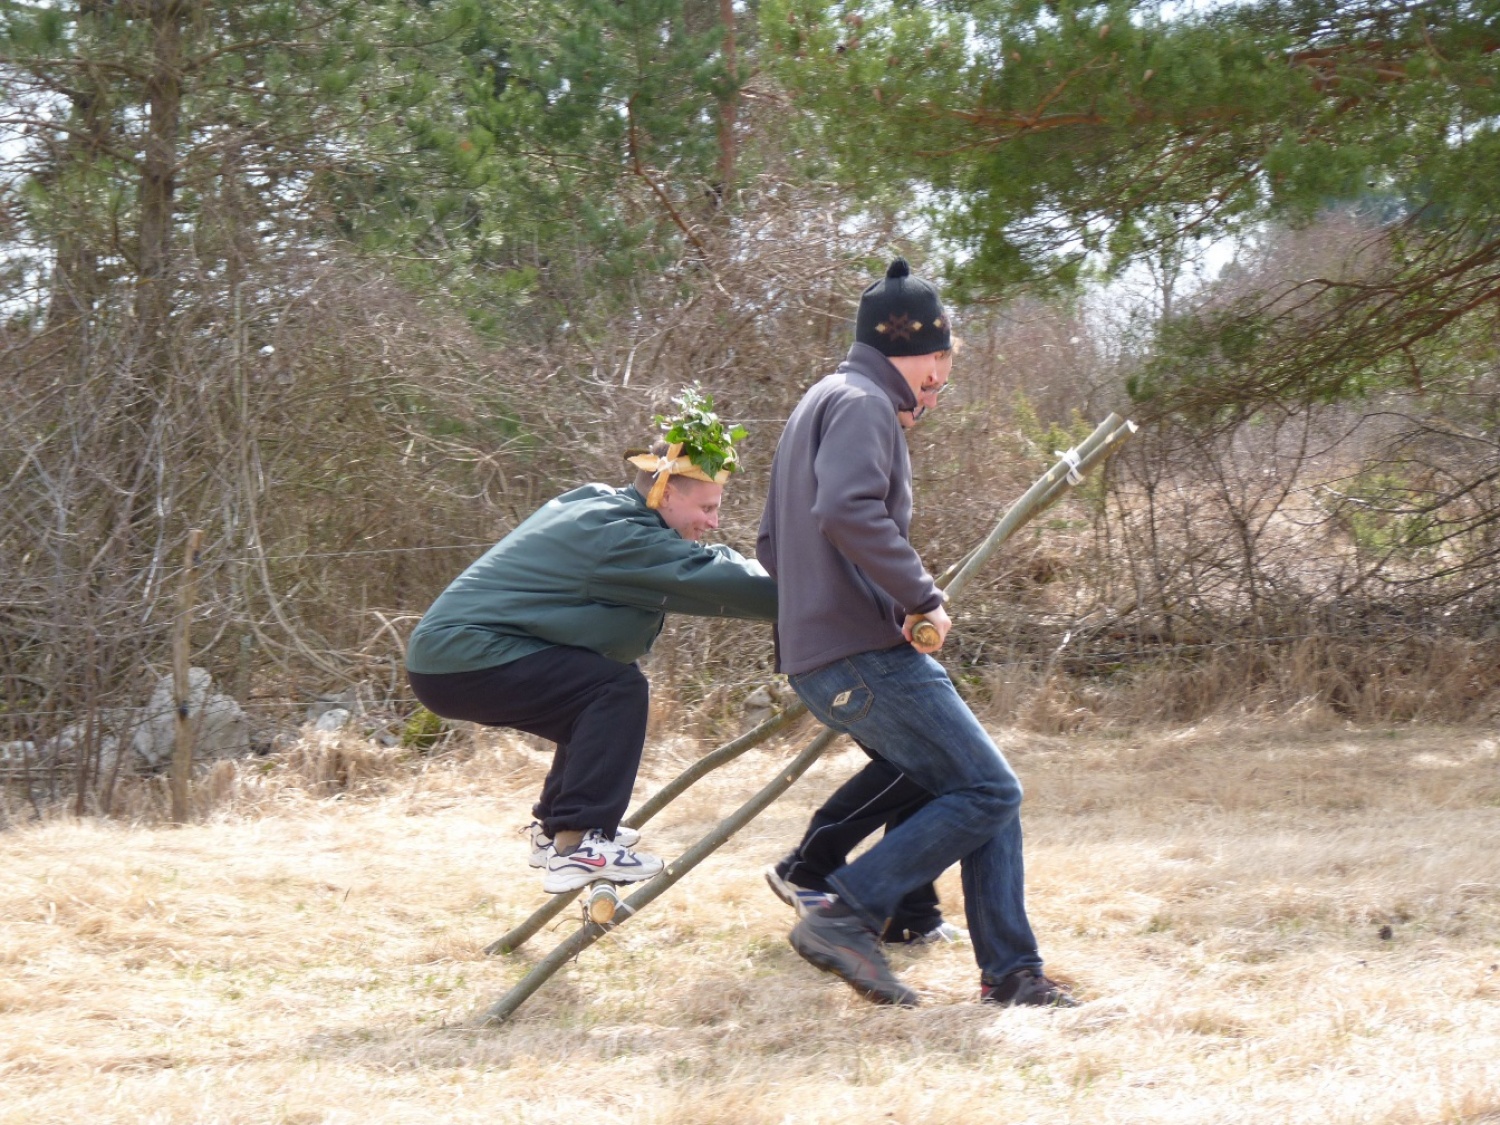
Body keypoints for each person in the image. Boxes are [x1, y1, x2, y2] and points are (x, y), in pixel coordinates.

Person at [757, 257, 1075, 1008]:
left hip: (823, 656)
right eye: (942, 363)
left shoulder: (820, 400)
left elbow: (776, 542)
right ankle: (848, 913)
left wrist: (842, 602)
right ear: (924, 348)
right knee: (991, 786)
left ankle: (1013, 972)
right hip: (866, 656)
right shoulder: (865, 402)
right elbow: (848, 512)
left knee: (975, 785)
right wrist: (919, 597)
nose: (941, 382)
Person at [406, 391, 776, 894]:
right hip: (464, 656)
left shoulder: (600, 506)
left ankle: (556, 828)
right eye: (707, 507)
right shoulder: (621, 537)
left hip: (448, 659)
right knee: (614, 692)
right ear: (666, 494)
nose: (713, 522)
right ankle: (579, 842)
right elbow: (726, 581)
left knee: (588, 698)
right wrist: (826, 596)